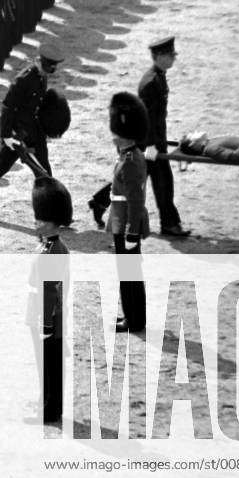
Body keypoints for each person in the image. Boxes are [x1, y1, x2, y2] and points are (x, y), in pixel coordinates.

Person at [0, 37, 68, 220]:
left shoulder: (41, 76)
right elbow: (8, 107)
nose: (49, 71)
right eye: (49, 67)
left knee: (44, 171)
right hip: (18, 134)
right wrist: (6, 135)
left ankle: (52, 212)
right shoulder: (24, 79)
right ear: (42, 63)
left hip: (34, 132)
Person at [106, 92, 149, 333]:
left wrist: (132, 233)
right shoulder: (129, 155)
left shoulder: (130, 161)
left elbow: (135, 200)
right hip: (121, 219)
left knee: (128, 274)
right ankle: (134, 316)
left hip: (125, 223)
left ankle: (133, 320)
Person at [140, 35, 190, 237]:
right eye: (170, 55)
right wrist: (152, 146)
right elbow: (147, 118)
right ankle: (169, 224)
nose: (173, 58)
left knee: (133, 179)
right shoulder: (151, 82)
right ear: (159, 56)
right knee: (162, 182)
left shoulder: (158, 77)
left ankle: (99, 202)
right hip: (150, 143)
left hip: (154, 140)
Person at [31, 174, 71, 423]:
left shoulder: (52, 251)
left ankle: (50, 408)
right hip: (52, 314)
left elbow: (49, 291)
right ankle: (49, 404)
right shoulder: (54, 246)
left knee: (49, 363)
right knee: (49, 362)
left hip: (49, 317)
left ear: (52, 222)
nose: (36, 222)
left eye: (41, 219)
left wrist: (45, 324)